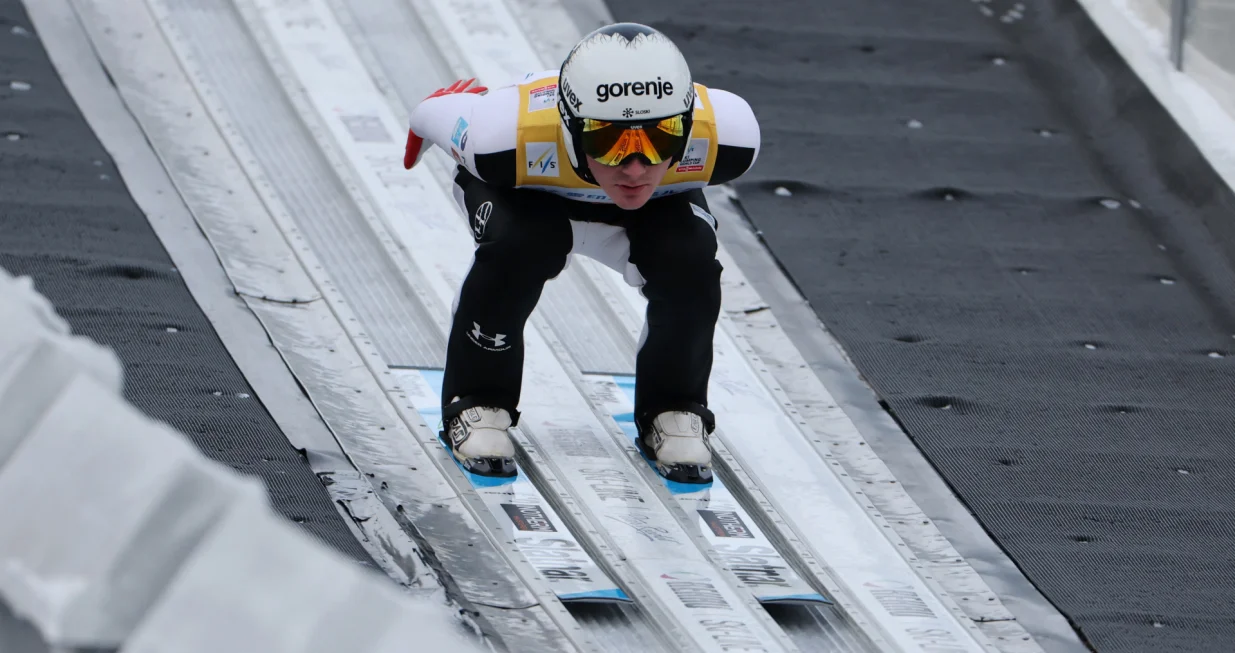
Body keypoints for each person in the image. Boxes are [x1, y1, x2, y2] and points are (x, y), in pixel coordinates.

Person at [402, 22, 760, 483]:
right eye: (609, 141)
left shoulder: (729, 138)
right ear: (569, 127)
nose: (635, 167)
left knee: (689, 258)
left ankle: (674, 407)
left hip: (650, 213)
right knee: (521, 245)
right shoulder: (500, 136)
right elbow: (429, 112)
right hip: (528, 200)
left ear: (688, 127)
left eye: (662, 138)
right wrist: (439, 111)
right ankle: (476, 402)